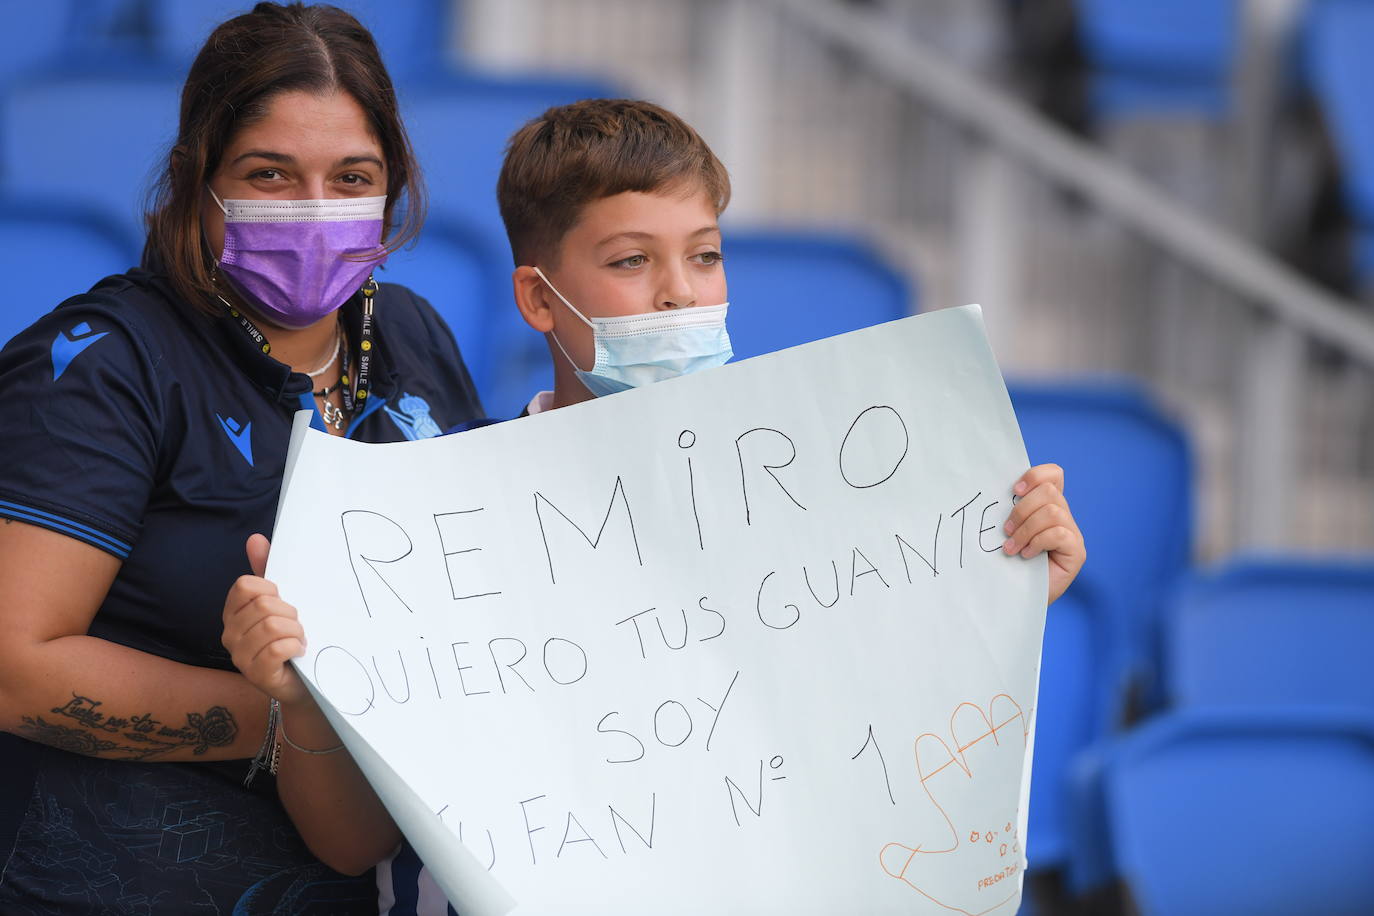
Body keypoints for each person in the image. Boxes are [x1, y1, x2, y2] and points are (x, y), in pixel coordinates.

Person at [221, 98, 1087, 914]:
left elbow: (871, 744)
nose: (679, 291)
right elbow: (349, 844)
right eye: (631, 261)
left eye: (704, 255)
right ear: (535, 299)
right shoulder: (418, 526)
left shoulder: (823, 511)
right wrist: (298, 700)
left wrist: (999, 598)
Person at [0, 3, 483, 912]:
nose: (316, 211)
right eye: (271, 174)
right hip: (126, 880)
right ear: (197, 180)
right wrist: (289, 722)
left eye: (352, 177)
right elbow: (14, 667)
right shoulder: (102, 364)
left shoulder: (414, 333)